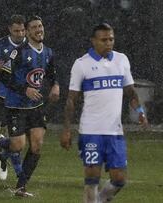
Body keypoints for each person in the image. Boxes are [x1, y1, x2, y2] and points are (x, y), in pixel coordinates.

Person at [60, 23, 149, 203]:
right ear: (93, 41)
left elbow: (131, 93)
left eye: (111, 39)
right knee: (92, 176)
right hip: (91, 131)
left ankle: (99, 200)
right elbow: (71, 100)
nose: (108, 43)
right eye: (104, 40)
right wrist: (67, 129)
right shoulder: (82, 64)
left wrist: (140, 111)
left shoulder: (122, 60)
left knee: (119, 179)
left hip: (115, 132)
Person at [0, 15, 59, 197]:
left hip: (36, 107)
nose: (39, 29)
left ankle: (21, 187)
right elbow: (4, 77)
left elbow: (51, 73)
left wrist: (56, 85)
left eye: (41, 26)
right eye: (35, 27)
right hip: (16, 106)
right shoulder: (18, 52)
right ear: (27, 32)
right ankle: (1, 143)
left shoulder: (48, 52)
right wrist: (24, 90)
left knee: (36, 146)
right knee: (18, 145)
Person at [0, 14, 26, 181]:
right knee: (15, 137)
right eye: (16, 30)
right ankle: (19, 174)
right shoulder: (0, 44)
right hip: (6, 95)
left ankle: (1, 147)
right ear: (10, 29)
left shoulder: (29, 44)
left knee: (22, 137)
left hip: (27, 97)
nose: (20, 34)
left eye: (22, 30)